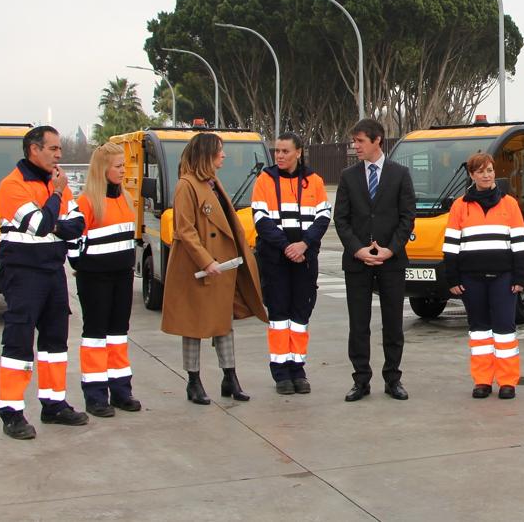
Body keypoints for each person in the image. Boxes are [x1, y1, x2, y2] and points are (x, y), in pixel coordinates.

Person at [0, 125, 88, 439]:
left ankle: (54, 404)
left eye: (59, 149)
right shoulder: (12, 186)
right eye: (53, 148)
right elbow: (41, 224)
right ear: (34, 149)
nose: (59, 154)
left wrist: (55, 221)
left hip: (52, 271)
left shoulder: (56, 181)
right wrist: (56, 201)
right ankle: (11, 413)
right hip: (23, 274)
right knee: (19, 343)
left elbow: (77, 223)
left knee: (55, 343)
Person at [160, 132, 267, 405]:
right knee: (193, 324)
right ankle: (193, 382)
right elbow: (184, 229)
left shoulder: (212, 183)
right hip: (199, 268)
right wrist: (205, 260)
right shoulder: (186, 185)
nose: (224, 155)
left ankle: (230, 377)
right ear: (206, 154)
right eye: (220, 151)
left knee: (223, 323)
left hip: (223, 265)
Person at [333, 118, 415, 402]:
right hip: (357, 262)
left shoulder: (400, 174)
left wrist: (391, 249)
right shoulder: (348, 176)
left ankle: (393, 379)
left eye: (360, 141)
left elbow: (407, 218)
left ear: (377, 140)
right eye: (354, 141)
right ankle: (361, 380)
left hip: (391, 261)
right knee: (359, 324)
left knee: (393, 323)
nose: (355, 146)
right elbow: (341, 220)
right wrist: (358, 250)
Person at [444, 152, 524, 400]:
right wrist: (453, 278)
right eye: (480, 171)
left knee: (505, 330)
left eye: (489, 170)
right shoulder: (460, 205)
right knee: (479, 331)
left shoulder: (509, 204)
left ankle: (507, 382)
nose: (486, 175)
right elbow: (451, 245)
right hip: (471, 279)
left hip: (503, 278)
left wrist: (519, 278)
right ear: (472, 175)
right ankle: (482, 381)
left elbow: (520, 245)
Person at [251, 133, 331, 395]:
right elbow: (261, 219)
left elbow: (322, 218)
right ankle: (281, 373)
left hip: (304, 261)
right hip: (276, 260)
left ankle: (298, 369)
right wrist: (287, 246)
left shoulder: (315, 182)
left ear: (299, 152)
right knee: (278, 316)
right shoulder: (264, 180)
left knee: (300, 316)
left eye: (285, 151)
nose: (280, 156)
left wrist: (303, 245)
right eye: (277, 151)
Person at [68, 142, 140, 418]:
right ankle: (96, 395)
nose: (124, 171)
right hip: (95, 280)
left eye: (124, 165)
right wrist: (84, 266)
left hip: (122, 278)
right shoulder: (86, 202)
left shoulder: (124, 197)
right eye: (119, 166)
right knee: (96, 337)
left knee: (118, 335)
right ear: (103, 169)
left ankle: (121, 390)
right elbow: (73, 243)